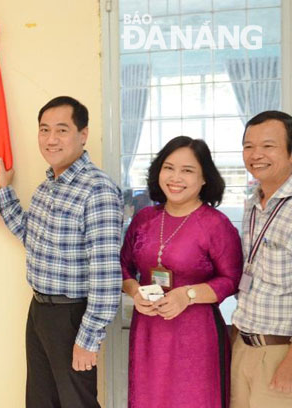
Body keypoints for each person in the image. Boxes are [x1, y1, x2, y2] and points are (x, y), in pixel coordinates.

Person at [0, 96, 123, 407]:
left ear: (83, 135)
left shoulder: (97, 189)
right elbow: (30, 237)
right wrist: (4, 191)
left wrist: (87, 339)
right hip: (40, 310)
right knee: (41, 401)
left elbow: (106, 276)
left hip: (73, 316)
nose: (51, 139)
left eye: (62, 130)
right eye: (44, 130)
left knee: (75, 402)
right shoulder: (46, 188)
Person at [120, 136, 242, 408]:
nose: (176, 177)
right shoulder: (145, 219)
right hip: (148, 332)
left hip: (195, 335)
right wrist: (134, 291)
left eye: (187, 170)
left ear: (204, 179)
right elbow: (123, 267)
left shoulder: (215, 225)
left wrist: (187, 295)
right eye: (169, 167)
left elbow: (231, 280)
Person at [231, 110, 292, 407]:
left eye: (268, 146)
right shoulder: (254, 203)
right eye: (248, 146)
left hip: (282, 353)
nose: (256, 154)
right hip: (245, 346)